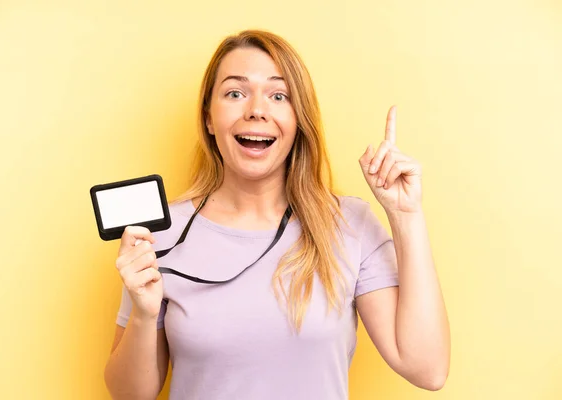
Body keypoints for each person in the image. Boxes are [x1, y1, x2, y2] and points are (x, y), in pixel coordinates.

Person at [103, 29, 450, 400]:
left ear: (298, 119)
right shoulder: (162, 234)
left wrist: (405, 215)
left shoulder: (351, 224)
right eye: (235, 93)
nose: (256, 109)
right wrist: (142, 315)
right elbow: (129, 395)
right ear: (208, 118)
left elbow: (426, 369)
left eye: (278, 95)